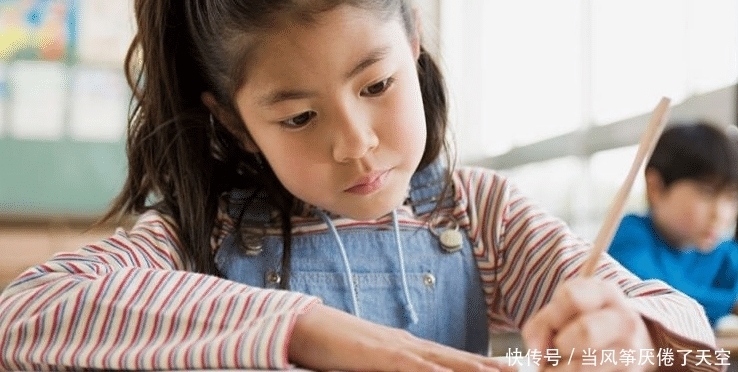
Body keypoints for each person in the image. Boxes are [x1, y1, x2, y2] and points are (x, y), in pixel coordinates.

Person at [0, 1, 721, 371]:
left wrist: (633, 338)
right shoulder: (205, 232)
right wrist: (310, 332)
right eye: (299, 116)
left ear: (414, 48)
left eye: (377, 84)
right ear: (238, 123)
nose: (356, 143)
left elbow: (694, 339)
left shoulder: (477, 213)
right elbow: (25, 313)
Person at [609, 120, 738, 328]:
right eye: (707, 193)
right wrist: (730, 304)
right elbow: (651, 291)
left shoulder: (723, 253)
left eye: (732, 198)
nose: (721, 214)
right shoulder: (631, 236)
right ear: (656, 188)